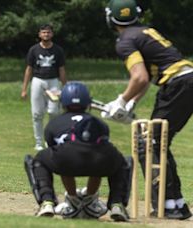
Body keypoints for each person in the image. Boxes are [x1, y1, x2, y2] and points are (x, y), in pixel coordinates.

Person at [104, 0, 193, 220]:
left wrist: (121, 101)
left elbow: (140, 77)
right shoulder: (144, 31)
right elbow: (147, 77)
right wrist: (131, 103)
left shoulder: (124, 40)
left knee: (151, 143)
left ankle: (169, 204)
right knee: (157, 140)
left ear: (110, 18)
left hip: (178, 84)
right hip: (185, 78)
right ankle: (175, 203)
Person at [24, 82, 131, 222]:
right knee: (120, 161)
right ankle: (115, 204)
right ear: (87, 102)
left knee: (41, 159)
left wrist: (72, 193)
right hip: (99, 160)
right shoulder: (100, 124)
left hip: (66, 160)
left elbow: (57, 153)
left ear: (63, 103)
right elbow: (100, 148)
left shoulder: (54, 123)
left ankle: (48, 202)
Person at [21, 24, 67, 151]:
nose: (46, 35)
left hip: (53, 82)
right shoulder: (34, 50)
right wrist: (24, 89)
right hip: (38, 81)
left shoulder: (58, 50)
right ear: (39, 35)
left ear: (52, 34)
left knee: (54, 112)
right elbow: (29, 69)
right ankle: (39, 142)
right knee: (37, 114)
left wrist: (66, 87)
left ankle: (51, 140)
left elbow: (61, 69)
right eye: (43, 32)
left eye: (48, 32)